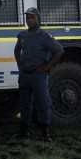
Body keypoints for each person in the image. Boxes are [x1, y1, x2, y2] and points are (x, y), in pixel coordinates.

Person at [13, 7, 64, 142]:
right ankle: (24, 130)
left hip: (38, 76)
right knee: (24, 104)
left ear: (38, 19)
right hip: (25, 76)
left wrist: (47, 66)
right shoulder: (22, 35)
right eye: (28, 17)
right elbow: (17, 50)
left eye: (32, 17)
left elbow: (59, 51)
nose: (29, 20)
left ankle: (45, 133)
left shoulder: (44, 37)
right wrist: (19, 64)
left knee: (42, 103)